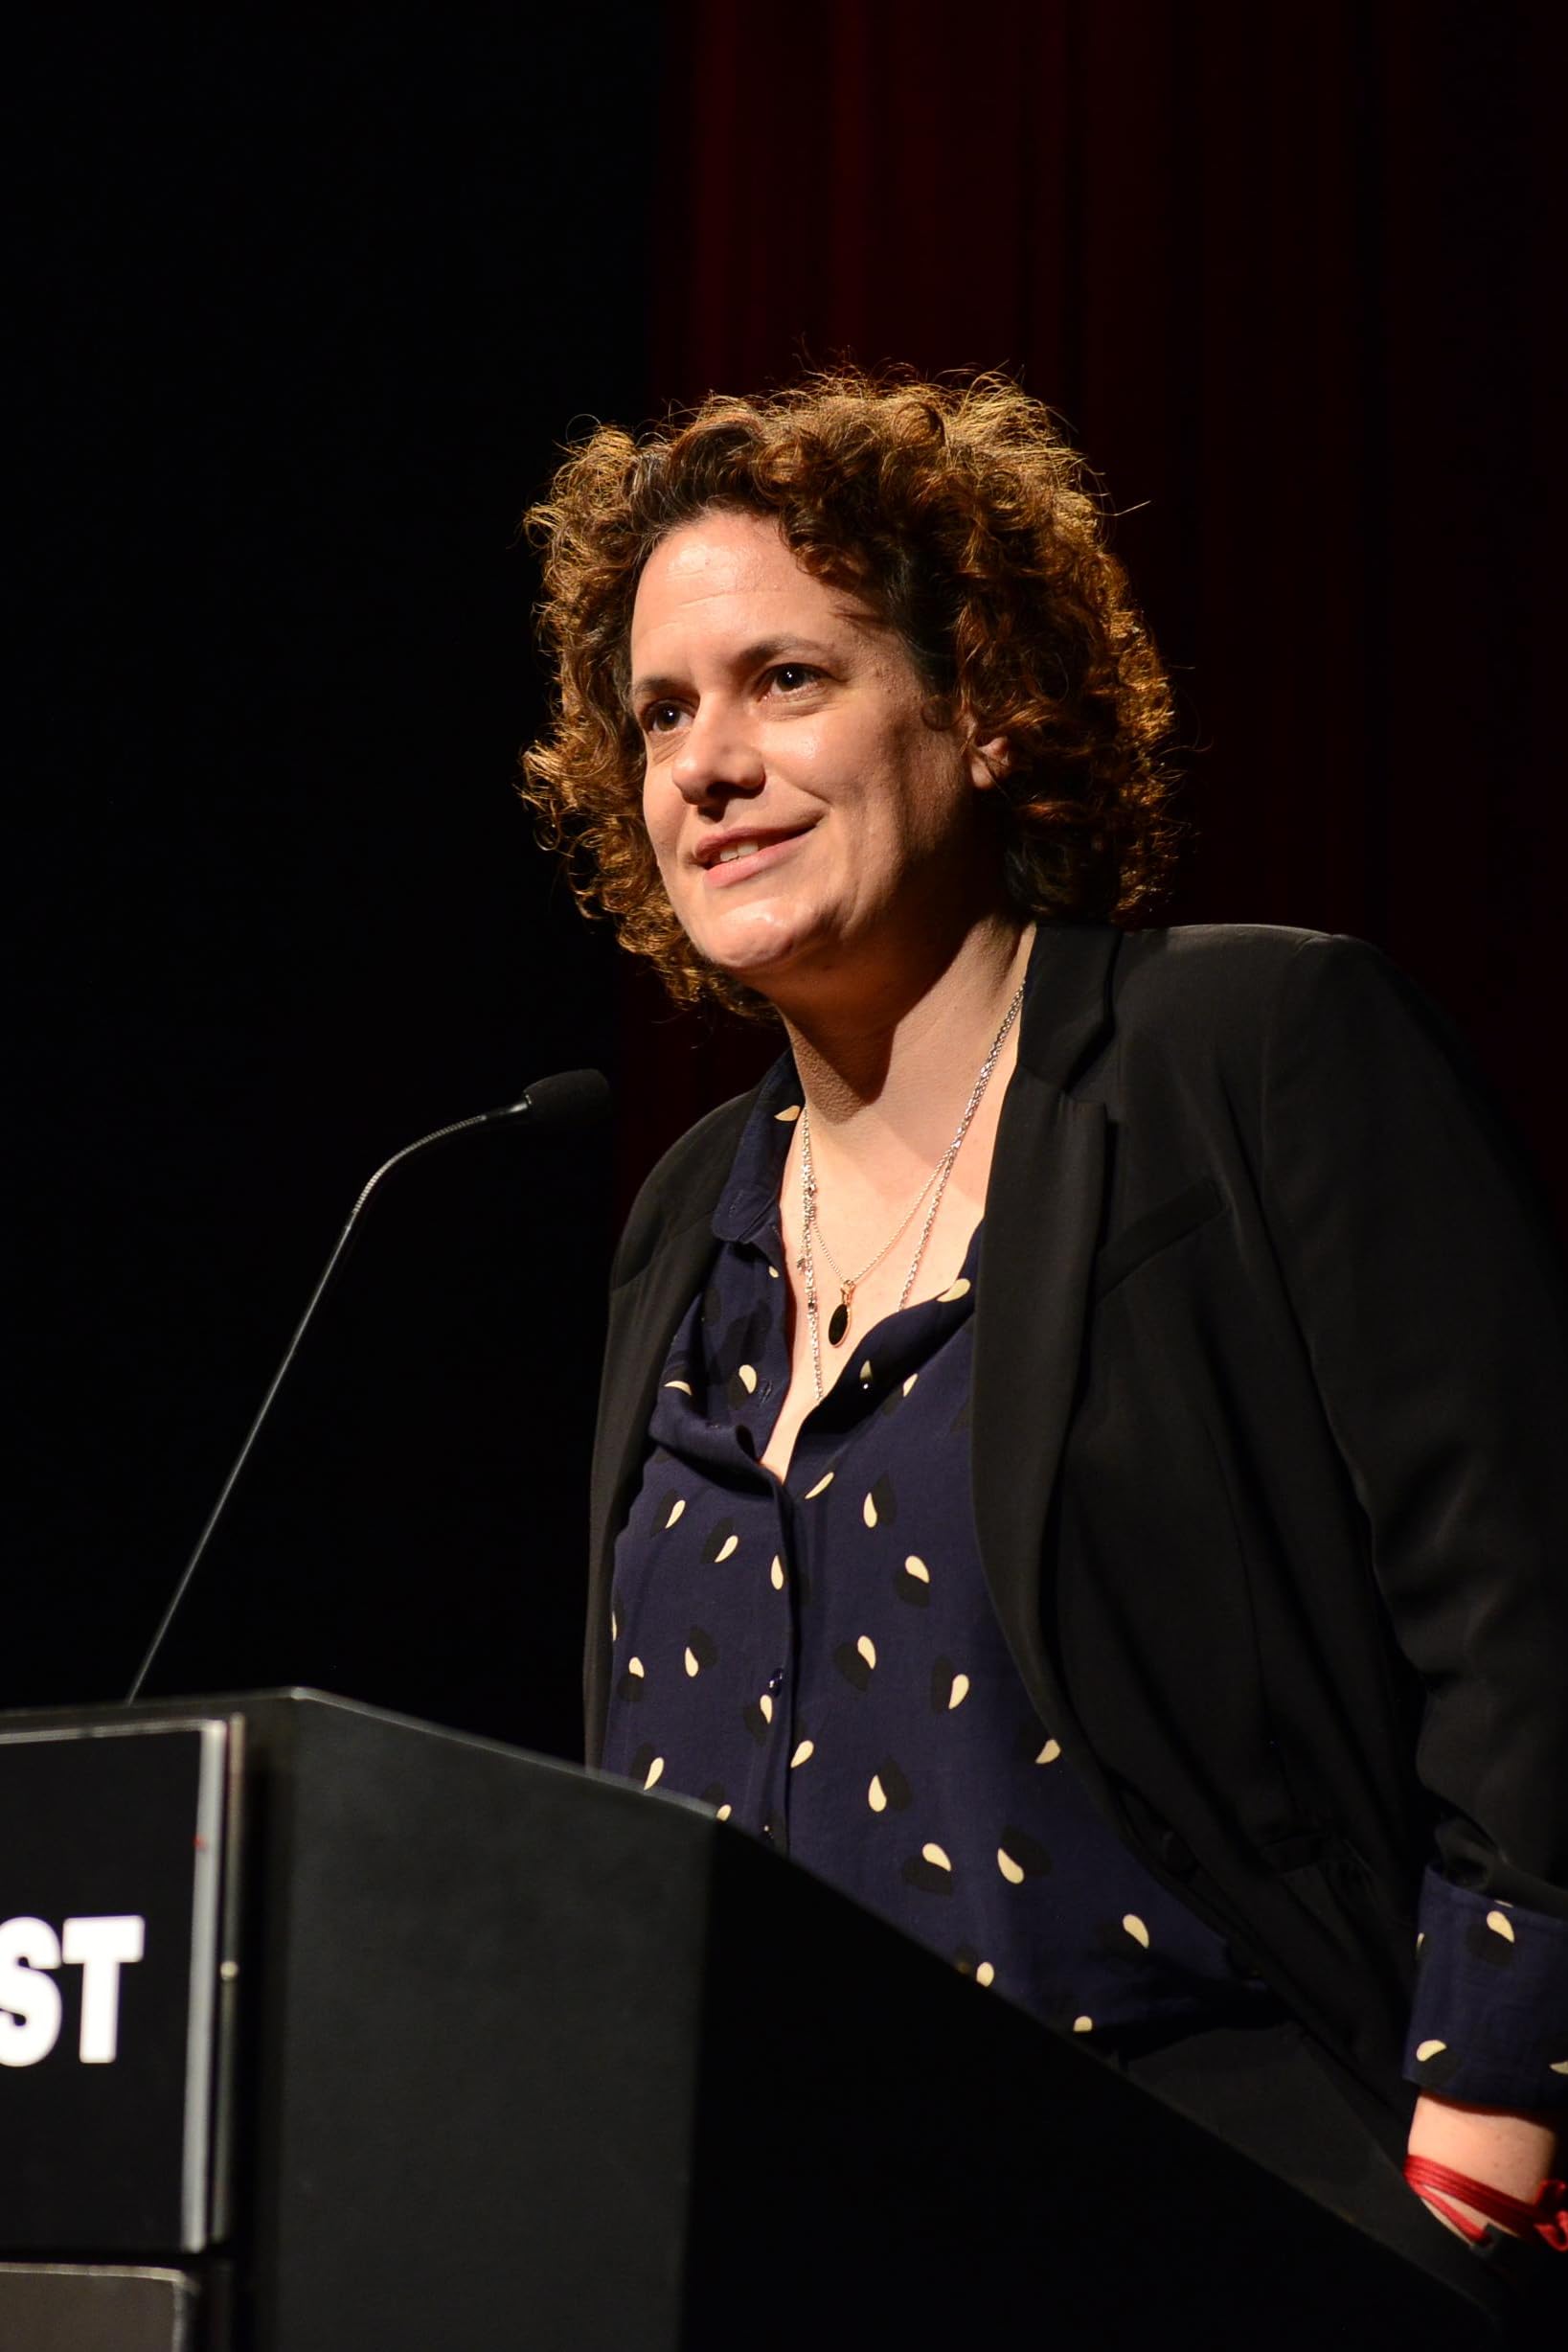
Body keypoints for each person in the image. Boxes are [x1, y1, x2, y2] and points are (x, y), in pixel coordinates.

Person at [518, 371, 1567, 2315]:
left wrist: (1482, 2138)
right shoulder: (684, 1217)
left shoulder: (1247, 1056)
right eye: (659, 714)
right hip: (765, 2250)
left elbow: (1524, 1615)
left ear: (987, 703)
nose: (706, 765)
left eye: (785, 681)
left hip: (1212, 2218)